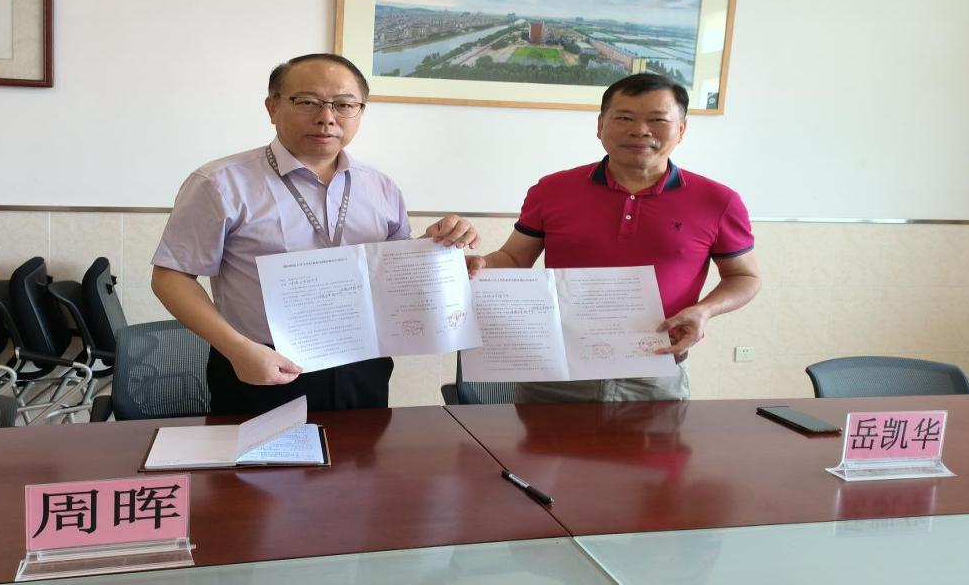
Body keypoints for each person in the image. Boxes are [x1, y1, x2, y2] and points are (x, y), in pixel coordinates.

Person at [151, 53, 479, 416]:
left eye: (344, 105)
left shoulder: (381, 187)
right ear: (272, 107)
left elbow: (389, 273)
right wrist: (237, 349)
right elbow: (171, 277)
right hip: (261, 366)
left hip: (362, 364)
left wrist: (440, 255)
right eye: (307, 102)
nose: (327, 117)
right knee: (258, 457)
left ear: (360, 112)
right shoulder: (220, 183)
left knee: (363, 453)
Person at [471, 73, 760, 402]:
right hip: (555, 371)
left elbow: (745, 277)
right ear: (600, 126)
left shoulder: (718, 201)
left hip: (655, 371)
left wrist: (704, 311)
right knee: (539, 439)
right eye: (624, 118)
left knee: (659, 441)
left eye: (657, 119)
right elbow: (513, 257)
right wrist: (480, 265)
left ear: (681, 129)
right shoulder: (551, 190)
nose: (640, 130)